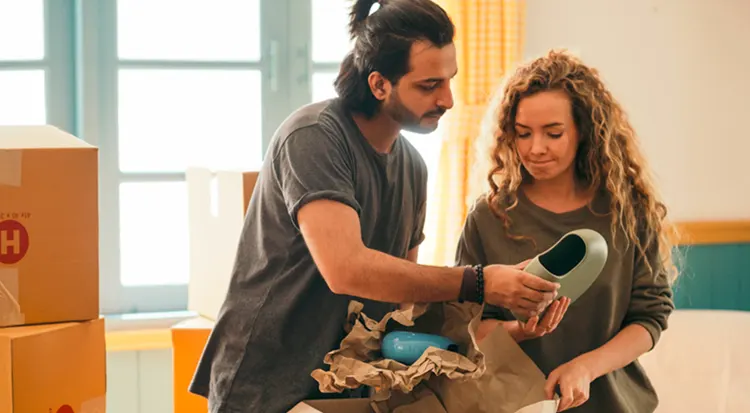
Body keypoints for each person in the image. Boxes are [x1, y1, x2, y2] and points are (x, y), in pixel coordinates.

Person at [188, 1, 560, 412]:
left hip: (342, 389)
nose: (449, 99)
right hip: (265, 388)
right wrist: (478, 281)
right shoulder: (314, 138)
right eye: (429, 85)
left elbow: (401, 302)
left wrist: (505, 329)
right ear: (379, 84)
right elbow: (346, 269)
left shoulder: (413, 169)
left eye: (450, 80)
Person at [455, 50, 678, 413]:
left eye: (553, 133)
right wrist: (520, 331)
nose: (535, 148)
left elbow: (650, 317)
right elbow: (467, 331)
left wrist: (585, 368)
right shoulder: (488, 217)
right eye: (523, 133)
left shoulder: (627, 210)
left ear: (584, 131)